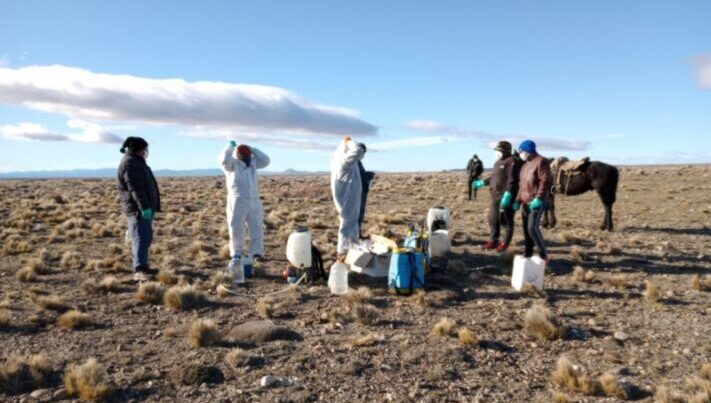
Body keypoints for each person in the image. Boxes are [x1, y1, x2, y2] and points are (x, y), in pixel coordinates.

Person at [220, 141, 270, 272]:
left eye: (248, 156)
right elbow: (224, 161)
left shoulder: (253, 162)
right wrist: (230, 147)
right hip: (237, 201)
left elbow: (266, 161)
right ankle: (236, 253)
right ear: (238, 156)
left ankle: (256, 252)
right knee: (236, 227)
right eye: (244, 157)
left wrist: (252, 149)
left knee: (256, 226)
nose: (247, 159)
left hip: (254, 200)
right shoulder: (232, 164)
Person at [117, 136, 161, 281]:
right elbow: (136, 188)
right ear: (138, 150)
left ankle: (143, 264)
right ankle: (139, 269)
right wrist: (144, 207)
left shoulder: (136, 162)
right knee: (140, 237)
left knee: (145, 236)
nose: (145, 152)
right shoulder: (130, 164)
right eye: (144, 149)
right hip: (138, 209)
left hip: (141, 208)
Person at [471, 141, 521, 252]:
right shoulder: (498, 162)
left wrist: (508, 194)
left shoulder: (512, 161)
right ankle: (493, 241)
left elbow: (512, 180)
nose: (496, 153)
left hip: (506, 197)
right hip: (495, 197)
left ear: (505, 151)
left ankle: (504, 243)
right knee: (493, 219)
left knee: (506, 221)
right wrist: (482, 183)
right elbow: (494, 177)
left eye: (498, 151)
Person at [513, 140, 553, 264]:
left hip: (536, 202)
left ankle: (543, 255)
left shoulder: (541, 161)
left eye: (522, 151)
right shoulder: (525, 165)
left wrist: (539, 198)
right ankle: (528, 252)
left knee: (532, 228)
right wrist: (517, 200)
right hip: (525, 202)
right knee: (526, 229)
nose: (520, 154)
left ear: (528, 151)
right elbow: (522, 185)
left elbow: (544, 181)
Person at [330, 137, 366, 260]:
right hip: (347, 199)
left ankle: (352, 251)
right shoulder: (343, 162)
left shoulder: (343, 162)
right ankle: (344, 254)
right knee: (347, 224)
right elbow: (358, 150)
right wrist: (349, 142)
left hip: (349, 198)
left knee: (351, 224)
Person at [357, 145, 375, 239]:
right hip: (358, 192)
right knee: (358, 214)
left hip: (362, 190)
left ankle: (357, 235)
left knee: (360, 213)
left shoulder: (358, 162)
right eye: (363, 152)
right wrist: (368, 175)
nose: (363, 155)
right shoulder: (355, 163)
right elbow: (358, 176)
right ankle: (356, 236)